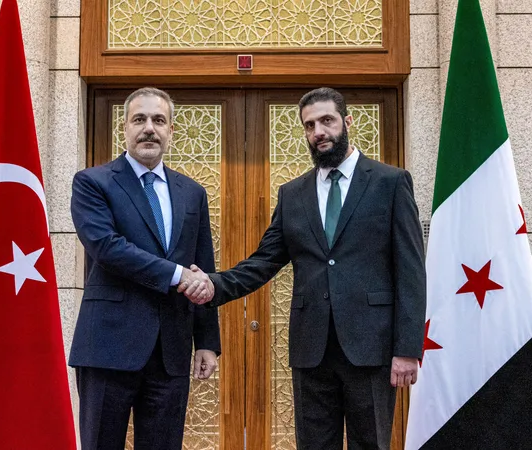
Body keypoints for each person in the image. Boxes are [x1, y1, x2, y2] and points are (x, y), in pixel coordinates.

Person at [182, 87, 426, 450]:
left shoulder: (390, 182)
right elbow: (263, 261)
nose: (319, 132)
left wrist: (407, 348)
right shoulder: (292, 194)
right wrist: (214, 285)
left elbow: (411, 270)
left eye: (327, 121)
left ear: (347, 122)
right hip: (312, 349)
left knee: (371, 444)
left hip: (371, 348)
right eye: (310, 125)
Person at [69, 87, 219, 450]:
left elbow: (202, 267)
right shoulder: (93, 182)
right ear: (125, 127)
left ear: (171, 130)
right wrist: (177, 275)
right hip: (108, 346)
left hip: (171, 350)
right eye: (139, 119)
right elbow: (107, 248)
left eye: (158, 120)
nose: (149, 128)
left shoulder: (192, 192)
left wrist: (207, 342)